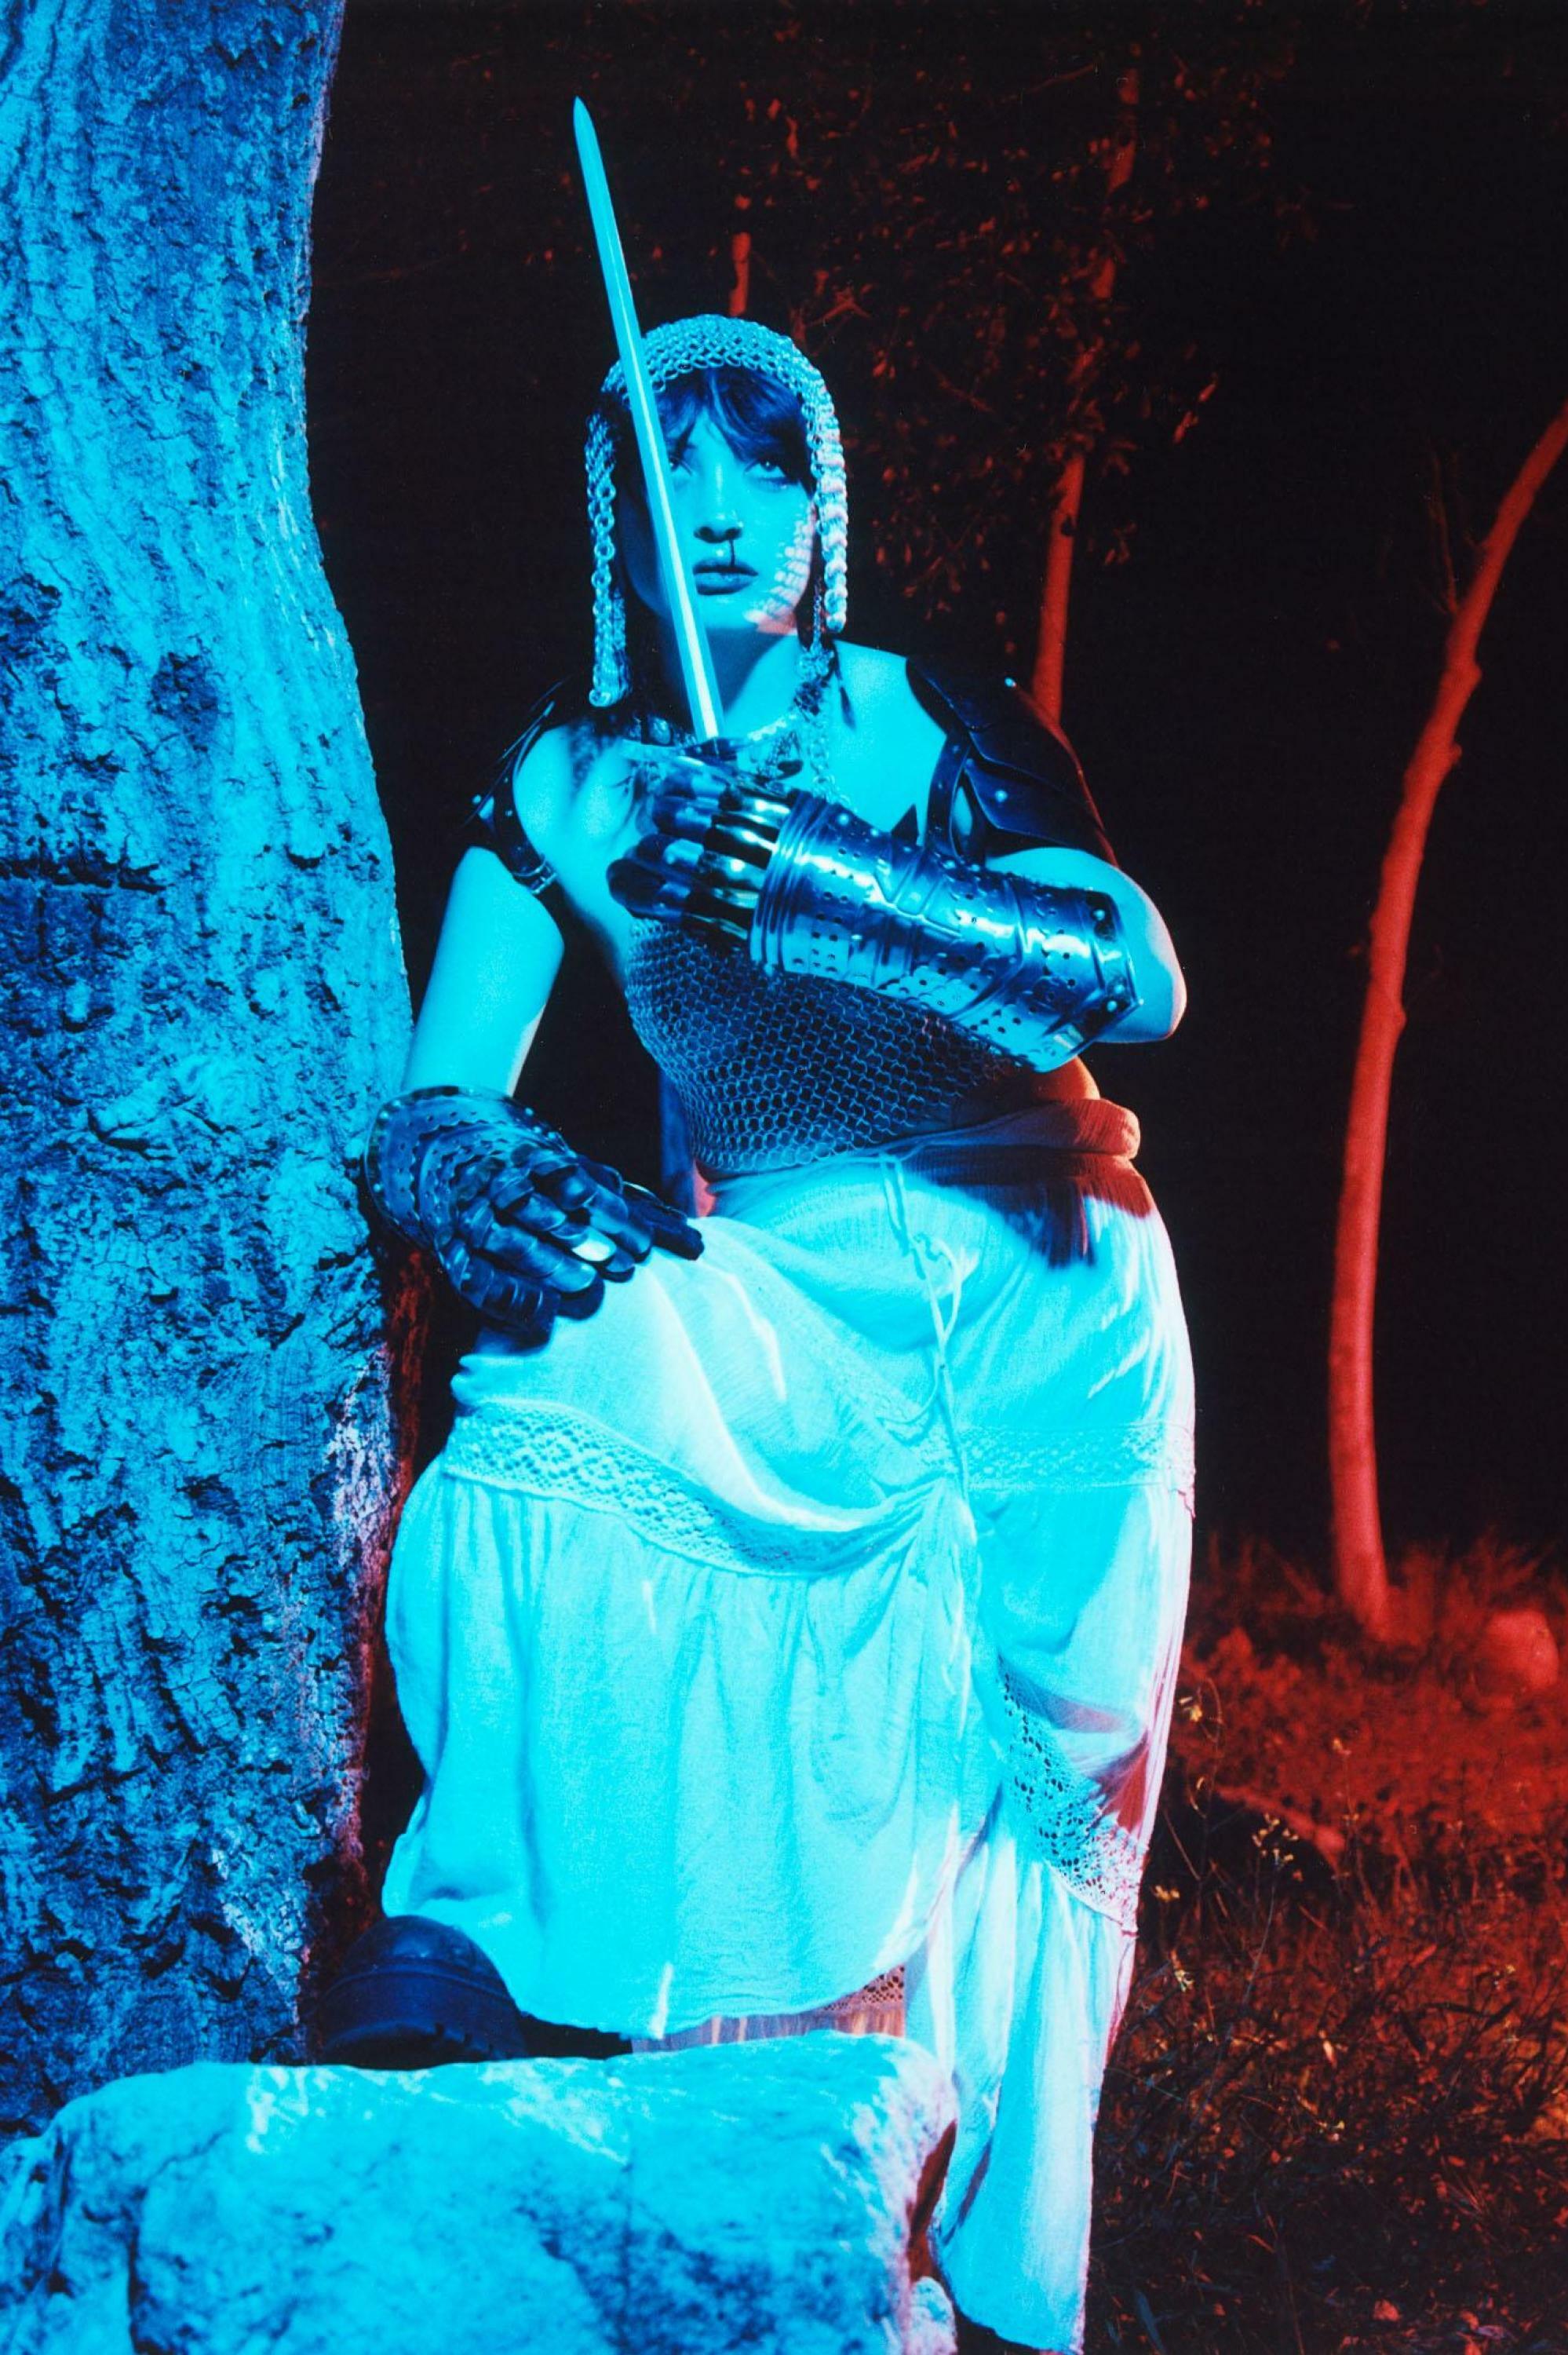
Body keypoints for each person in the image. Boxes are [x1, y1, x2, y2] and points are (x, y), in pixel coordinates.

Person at [343, 314, 1193, 2354]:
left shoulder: (933, 716)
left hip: (1041, 1271)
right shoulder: (566, 781)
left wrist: (828, 882)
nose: (719, 510)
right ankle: (479, 1936)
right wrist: (471, 1167)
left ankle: (982, 2261)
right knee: (560, 1371)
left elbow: (1137, 976)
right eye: (673, 472)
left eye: (766, 466)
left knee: (1026, 1801)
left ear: (829, 505)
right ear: (612, 524)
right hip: (785, 1284)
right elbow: (434, 1086)